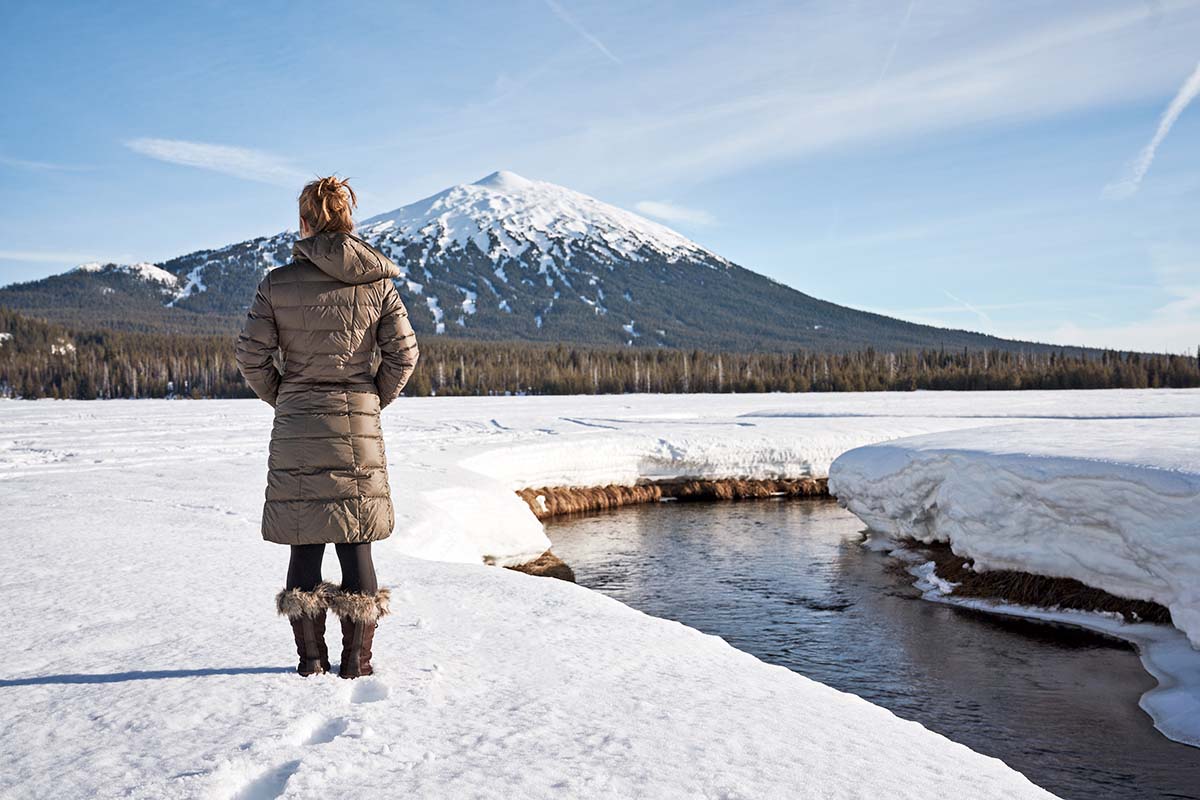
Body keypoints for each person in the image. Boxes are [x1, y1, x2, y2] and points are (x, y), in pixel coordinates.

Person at [235, 176, 419, 678]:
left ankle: (310, 664)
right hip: (356, 423)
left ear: (305, 221)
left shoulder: (277, 283)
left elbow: (249, 353)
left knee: (305, 537)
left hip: (297, 425)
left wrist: (285, 397)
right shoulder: (377, 283)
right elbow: (404, 354)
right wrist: (370, 399)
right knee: (356, 538)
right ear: (348, 219)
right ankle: (356, 665)